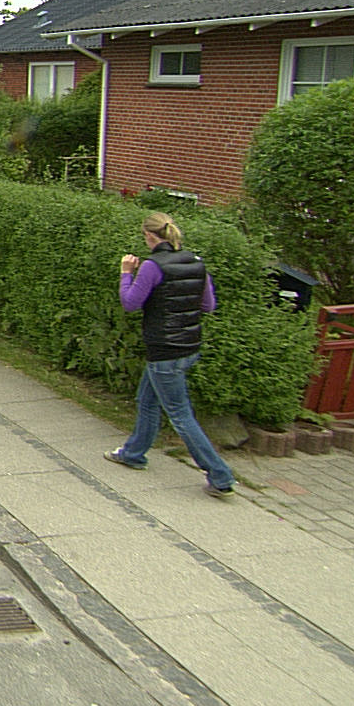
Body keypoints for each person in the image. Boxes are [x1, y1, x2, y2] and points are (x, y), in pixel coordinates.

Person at [104, 211, 236, 498]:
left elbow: (130, 303)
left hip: (164, 349)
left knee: (180, 414)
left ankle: (220, 476)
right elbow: (208, 305)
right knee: (147, 399)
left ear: (149, 236)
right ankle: (133, 453)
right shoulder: (196, 262)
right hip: (189, 346)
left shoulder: (153, 266)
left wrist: (126, 274)